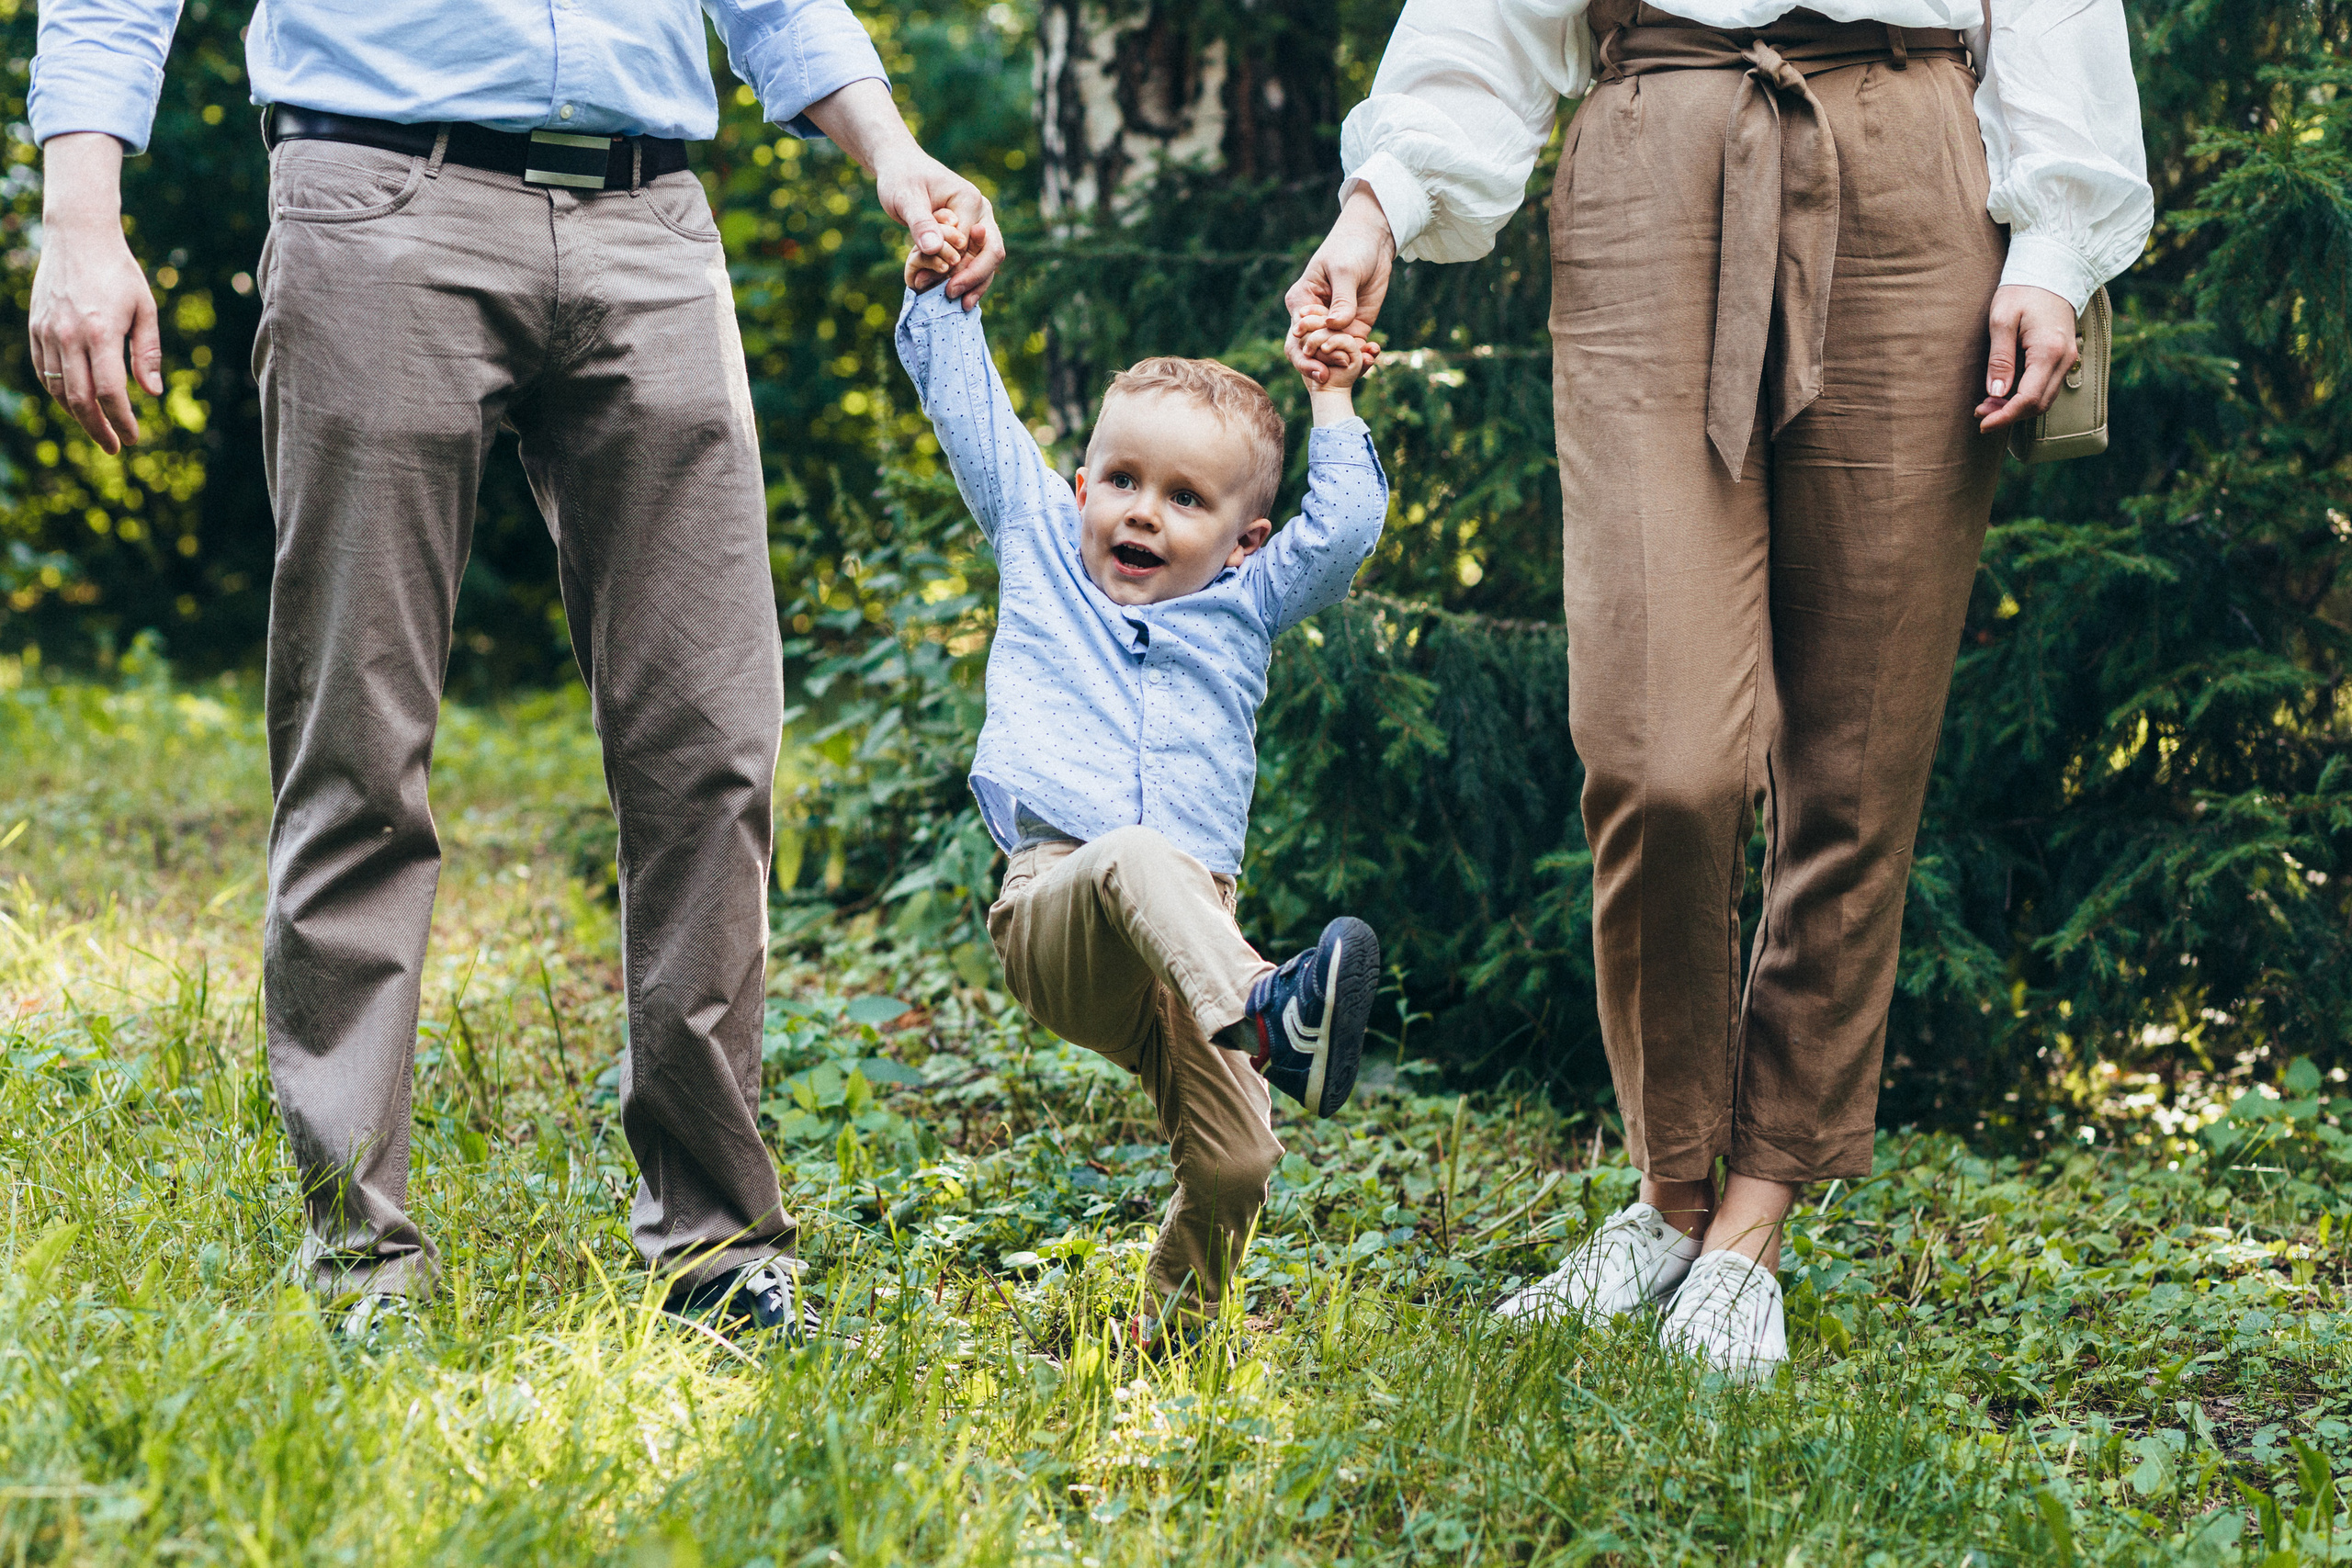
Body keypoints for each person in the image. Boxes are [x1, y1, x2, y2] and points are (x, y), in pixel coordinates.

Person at [27, 0, 1006, 1336]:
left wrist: (894, 152)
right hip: (378, 192)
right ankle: (364, 1258)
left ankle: (719, 1245)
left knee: (713, 747)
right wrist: (81, 217)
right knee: (358, 745)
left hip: (651, 215)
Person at [1286, 0, 2153, 1377]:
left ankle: (1751, 1221)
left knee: (1859, 750)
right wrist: (1382, 201)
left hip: (1914, 154)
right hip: (1653, 151)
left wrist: (2054, 245)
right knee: (1657, 753)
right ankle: (1669, 1188)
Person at [895, 216, 1389, 1339]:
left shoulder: (1250, 605)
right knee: (1129, 853)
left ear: (1244, 540)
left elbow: (1349, 526)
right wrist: (938, 287)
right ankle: (1273, 1007)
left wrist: (1331, 398)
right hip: (1060, 910)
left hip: (1193, 950)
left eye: (1183, 499)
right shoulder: (1039, 542)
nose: (1139, 512)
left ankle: (1169, 1335)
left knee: (1242, 1158)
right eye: (1120, 480)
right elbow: (967, 410)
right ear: (1078, 488)